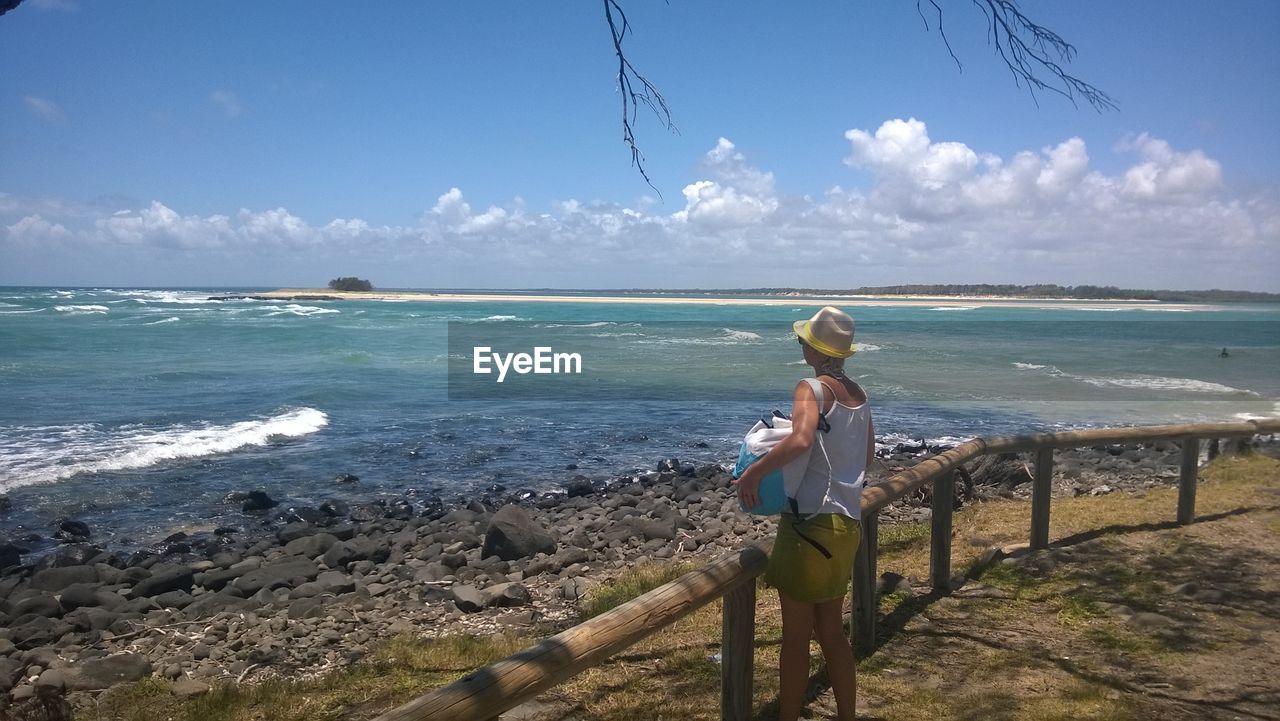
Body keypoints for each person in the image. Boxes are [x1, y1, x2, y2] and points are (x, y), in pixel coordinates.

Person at [735, 306, 874, 721]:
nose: (799, 344)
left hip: (810, 525)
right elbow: (867, 455)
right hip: (846, 525)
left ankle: (788, 716)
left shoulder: (810, 389)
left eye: (803, 339)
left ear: (816, 349)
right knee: (832, 632)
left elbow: (799, 441)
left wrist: (754, 473)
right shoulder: (859, 395)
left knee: (795, 637)